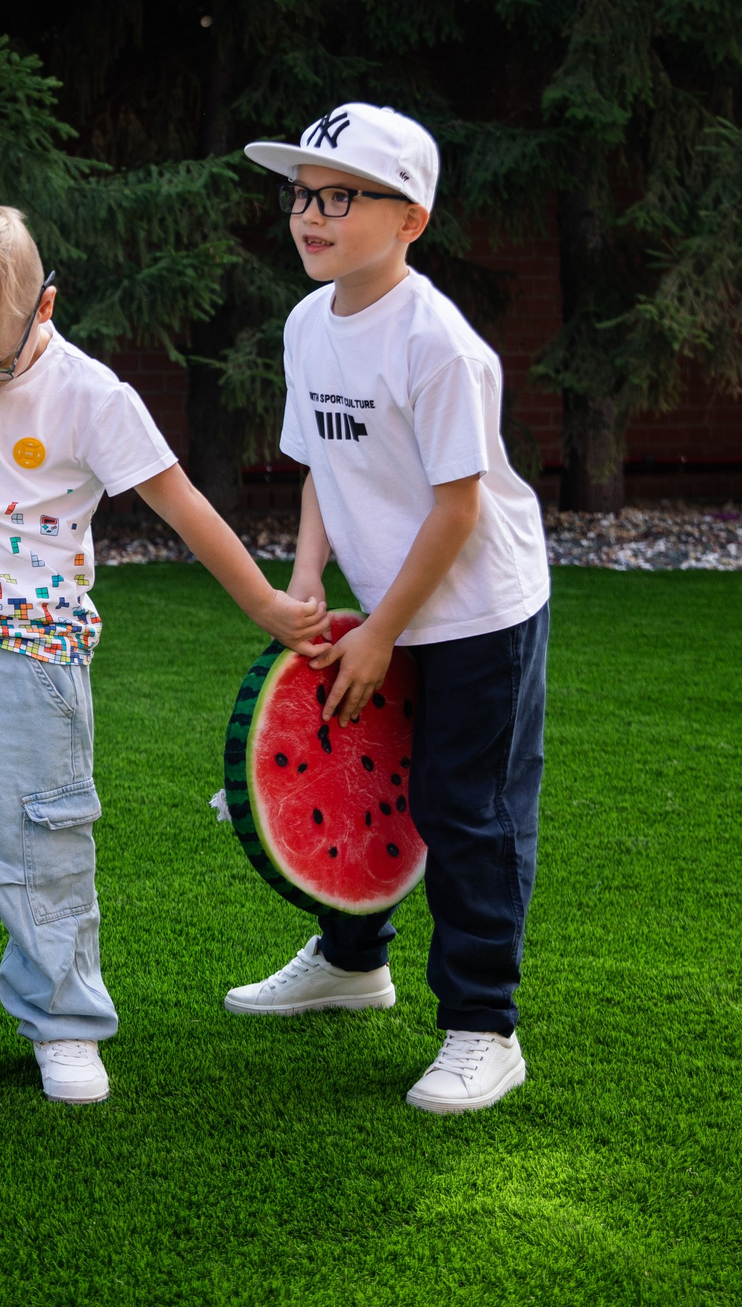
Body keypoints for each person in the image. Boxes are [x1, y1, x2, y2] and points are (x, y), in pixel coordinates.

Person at [0, 194, 326, 1104]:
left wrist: (267, 605)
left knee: (38, 841)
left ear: (44, 306)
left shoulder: (92, 396)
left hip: (32, 656)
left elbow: (184, 505)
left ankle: (64, 1021)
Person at [218, 104, 552, 1115]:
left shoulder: (439, 345)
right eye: (301, 195)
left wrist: (383, 631)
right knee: (357, 775)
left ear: (410, 219)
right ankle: (351, 962)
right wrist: (308, 576)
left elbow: (457, 509)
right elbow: (321, 465)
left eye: (340, 197)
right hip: (381, 604)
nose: (309, 216)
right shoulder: (306, 323)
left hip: (478, 612)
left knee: (467, 811)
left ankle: (485, 1028)